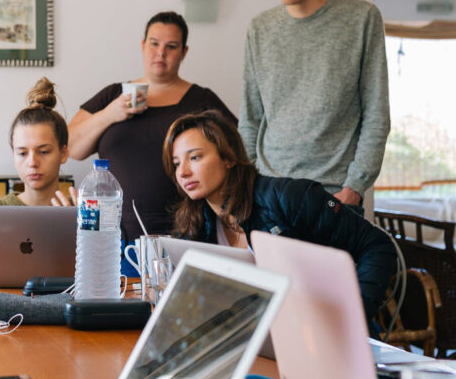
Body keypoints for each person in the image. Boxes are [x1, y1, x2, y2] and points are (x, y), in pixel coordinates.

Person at [163, 111, 396, 332]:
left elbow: (377, 245)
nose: (182, 172)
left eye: (194, 157)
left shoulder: (291, 197)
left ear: (228, 158)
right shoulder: (195, 222)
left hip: (321, 334)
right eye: (176, 163)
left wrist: (352, 319)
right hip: (260, 338)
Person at [239, 0, 390, 216]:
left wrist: (353, 189)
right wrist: (248, 184)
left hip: (334, 197)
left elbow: (376, 115)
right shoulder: (260, 28)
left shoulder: (361, 19)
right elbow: (250, 118)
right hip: (269, 194)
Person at [69, 11, 236, 246]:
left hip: (188, 234)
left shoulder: (202, 100)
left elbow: (236, 154)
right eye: (154, 44)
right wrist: (110, 114)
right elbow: (71, 147)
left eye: (171, 46)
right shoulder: (113, 95)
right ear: (143, 45)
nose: (161, 53)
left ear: (184, 52)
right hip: (113, 237)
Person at [0, 77, 76, 206]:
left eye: (44, 151)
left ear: (63, 154)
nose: (32, 163)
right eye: (22, 153)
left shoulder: (83, 213)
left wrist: (78, 225)